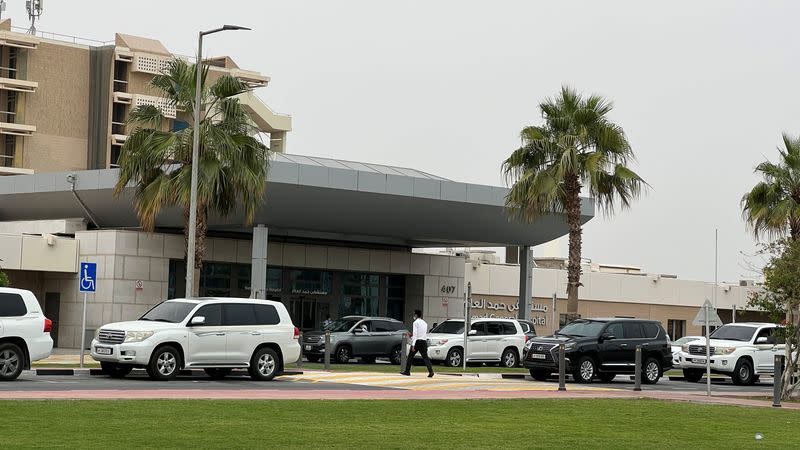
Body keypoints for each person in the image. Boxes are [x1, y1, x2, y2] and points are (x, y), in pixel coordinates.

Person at [401, 309, 434, 378]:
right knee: (425, 357)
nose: (413, 316)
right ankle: (431, 371)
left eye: (414, 314)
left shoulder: (415, 322)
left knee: (410, 356)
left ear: (416, 315)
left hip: (417, 342)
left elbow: (416, 335)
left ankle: (407, 371)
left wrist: (413, 345)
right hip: (423, 341)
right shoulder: (425, 323)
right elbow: (421, 333)